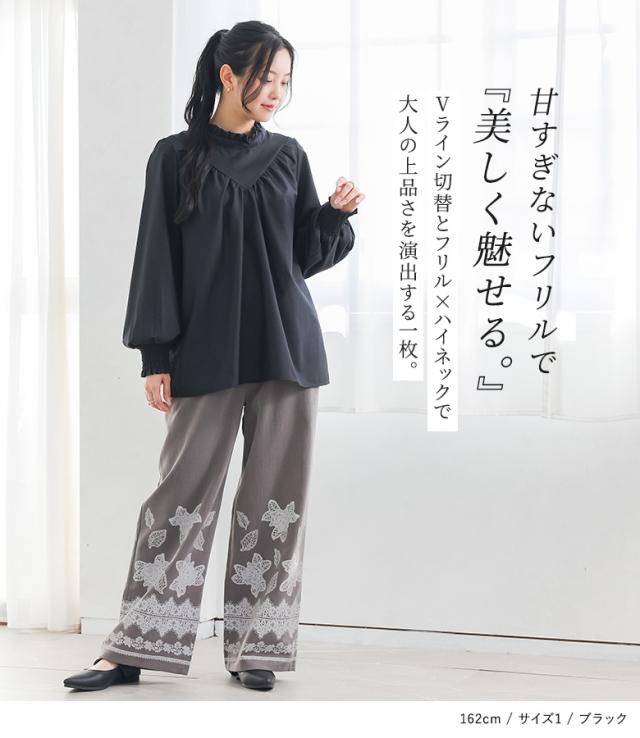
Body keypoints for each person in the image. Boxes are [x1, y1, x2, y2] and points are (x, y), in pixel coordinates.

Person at [63, 20, 364, 693]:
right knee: (180, 497)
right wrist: (155, 354)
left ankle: (257, 648)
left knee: (276, 502)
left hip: (287, 350)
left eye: (285, 81)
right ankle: (132, 648)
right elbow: (156, 256)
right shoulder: (175, 157)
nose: (276, 92)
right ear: (228, 75)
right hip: (204, 350)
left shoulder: (288, 156)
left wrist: (333, 216)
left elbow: (300, 257)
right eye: (265, 78)